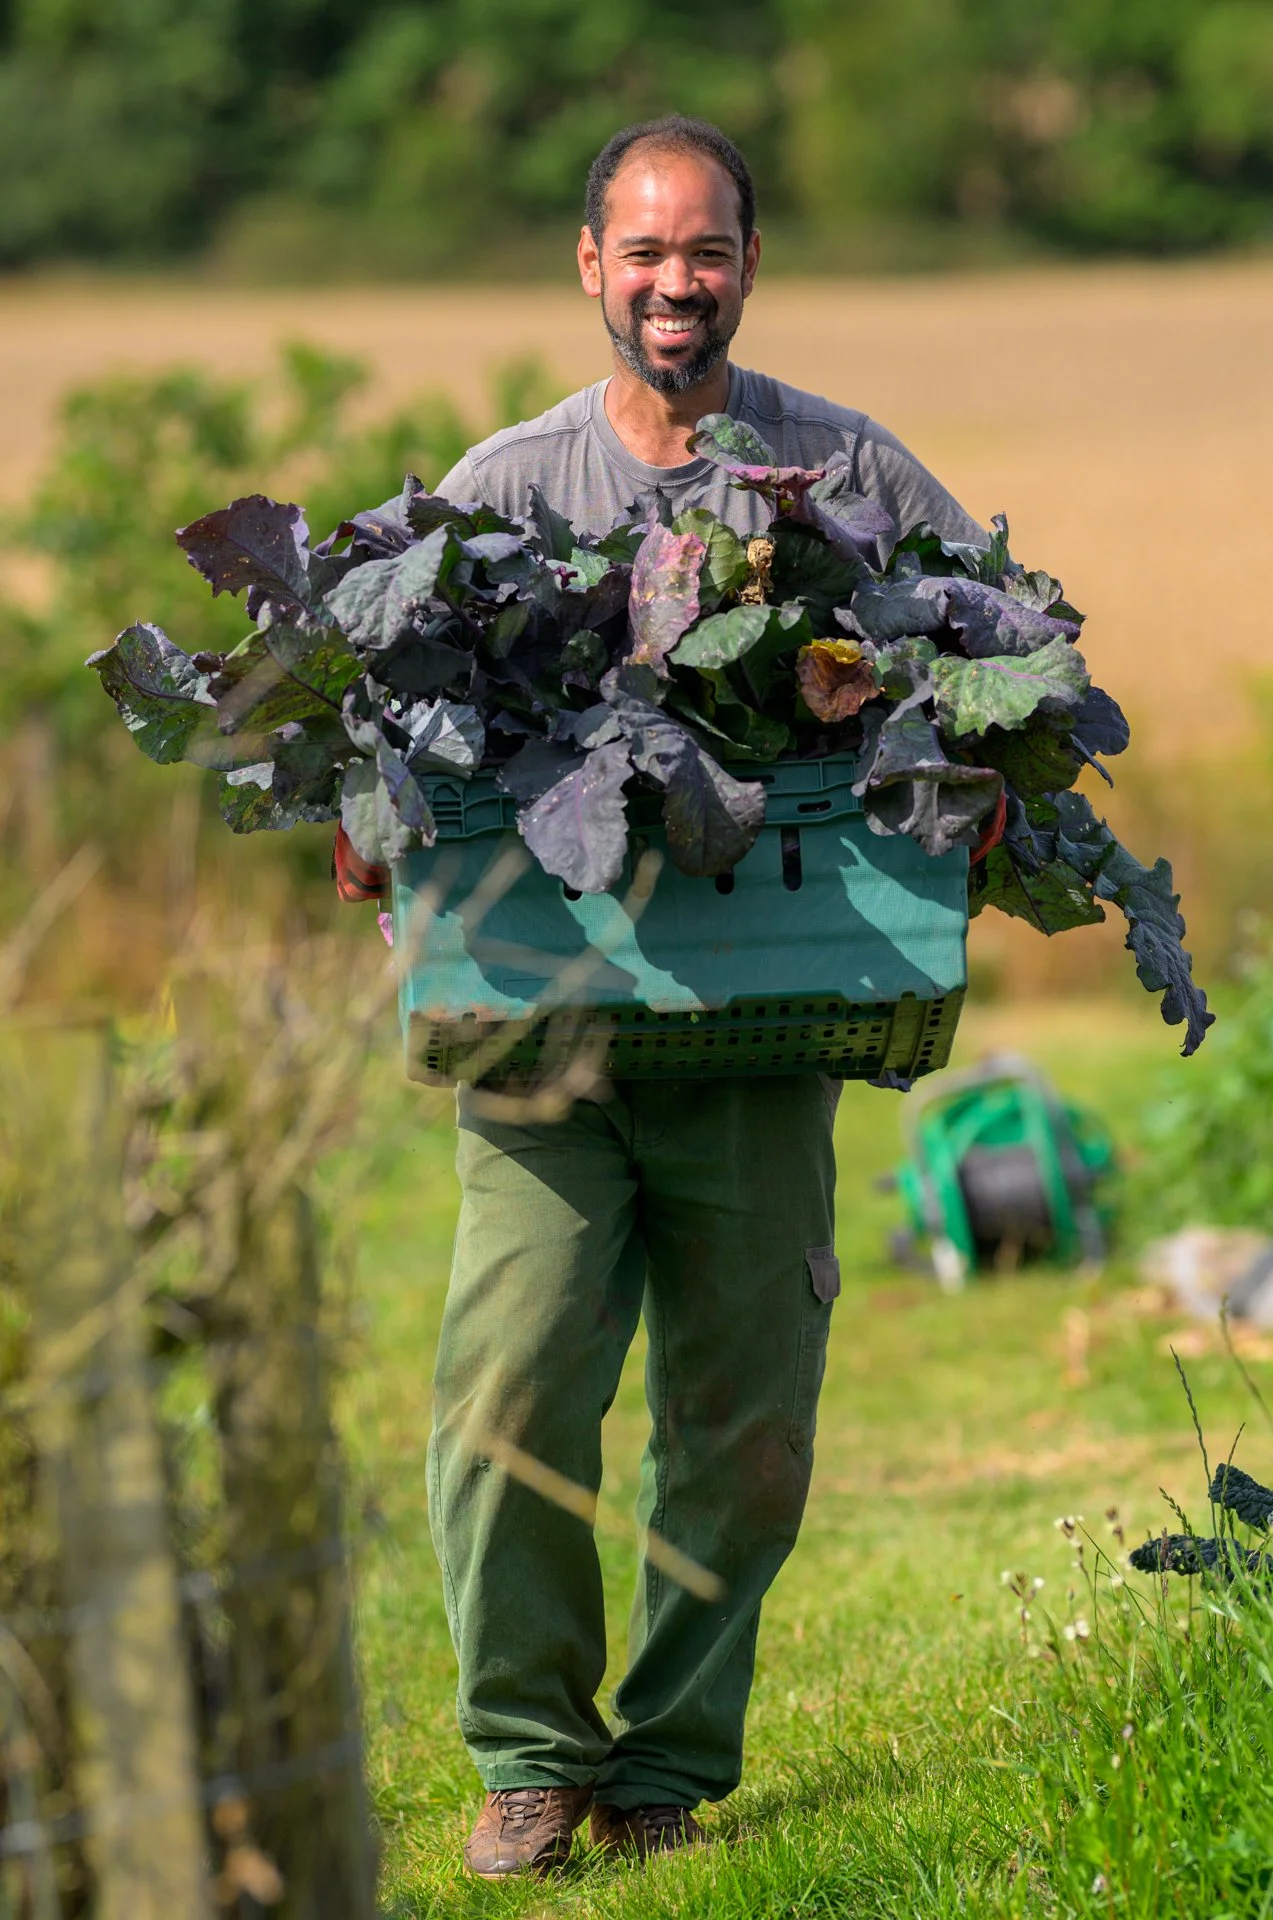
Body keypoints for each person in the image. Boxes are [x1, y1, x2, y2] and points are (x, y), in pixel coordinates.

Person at [426, 115, 984, 1881]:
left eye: (709, 250)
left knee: (741, 1435)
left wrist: (926, 742)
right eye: (645, 252)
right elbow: (388, 720)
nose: (678, 282)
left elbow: (995, 650)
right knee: (511, 1396)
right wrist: (379, 830)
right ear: (590, 266)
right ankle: (528, 1754)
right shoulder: (508, 489)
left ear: (749, 264)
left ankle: (665, 1765)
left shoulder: (845, 467)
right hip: (543, 1036)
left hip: (760, 1027)